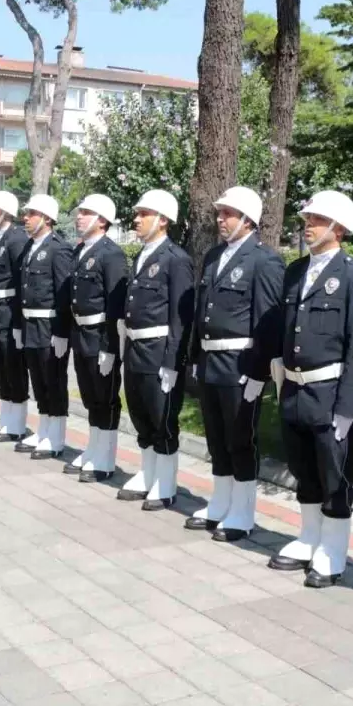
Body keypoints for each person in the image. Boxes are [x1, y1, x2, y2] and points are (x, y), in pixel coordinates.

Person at [267, 191, 353, 586]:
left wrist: (347, 408)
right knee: (304, 470)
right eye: (307, 218)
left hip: (330, 392)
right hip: (297, 390)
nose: (308, 224)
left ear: (339, 228)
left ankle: (333, 550)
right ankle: (309, 537)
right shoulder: (296, 271)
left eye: (317, 219)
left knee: (334, 476)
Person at [185, 187, 284, 541]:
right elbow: (202, 314)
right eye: (220, 213)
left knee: (240, 439)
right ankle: (220, 503)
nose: (220, 220)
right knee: (216, 438)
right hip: (212, 361)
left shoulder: (264, 261)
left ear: (247, 220)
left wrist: (258, 374)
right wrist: (197, 358)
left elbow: (268, 322)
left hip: (240, 364)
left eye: (227, 214)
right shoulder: (214, 257)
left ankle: (242, 512)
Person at [116, 190, 194, 510]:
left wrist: (173, 361)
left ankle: (165, 482)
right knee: (141, 416)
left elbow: (180, 317)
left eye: (144, 213)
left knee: (162, 418)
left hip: (158, 349)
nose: (136, 218)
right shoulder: (143, 255)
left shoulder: (176, 259)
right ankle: (148, 473)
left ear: (162, 221)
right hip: (136, 347)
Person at [64, 194, 128, 482]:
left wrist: (110, 347)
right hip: (81, 333)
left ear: (102, 220)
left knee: (105, 398)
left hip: (100, 334)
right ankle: (93, 448)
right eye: (80, 212)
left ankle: (105, 459)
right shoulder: (81, 251)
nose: (79, 216)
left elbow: (116, 306)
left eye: (86, 212)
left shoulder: (111, 254)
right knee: (90, 397)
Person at [14, 194, 74, 459]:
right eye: (27, 214)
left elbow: (64, 293)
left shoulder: (58, 249)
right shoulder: (30, 247)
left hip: (49, 325)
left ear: (47, 219)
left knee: (53, 380)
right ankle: (44, 430)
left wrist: (61, 332)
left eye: (32, 214)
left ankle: (56, 438)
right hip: (30, 322)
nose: (26, 218)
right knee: (37, 380)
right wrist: (19, 323)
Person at [0, 190, 33, 442]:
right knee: (0, 363)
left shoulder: (16, 239)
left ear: (6, 213)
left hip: (9, 309)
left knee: (13, 365)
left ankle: (18, 422)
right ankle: (6, 415)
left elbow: (21, 280)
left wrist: (18, 320)